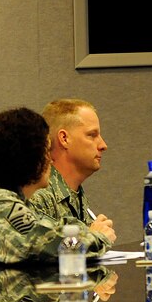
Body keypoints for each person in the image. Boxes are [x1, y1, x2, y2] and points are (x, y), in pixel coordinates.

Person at [0, 107, 113, 263]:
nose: (50, 159)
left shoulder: (11, 200)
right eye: (46, 150)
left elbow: (52, 228)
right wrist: (96, 237)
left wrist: (85, 231)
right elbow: (50, 245)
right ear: (27, 156)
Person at [28, 99, 115, 242]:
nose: (103, 145)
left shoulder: (74, 192)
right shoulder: (39, 195)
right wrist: (93, 237)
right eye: (92, 135)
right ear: (64, 138)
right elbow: (46, 251)